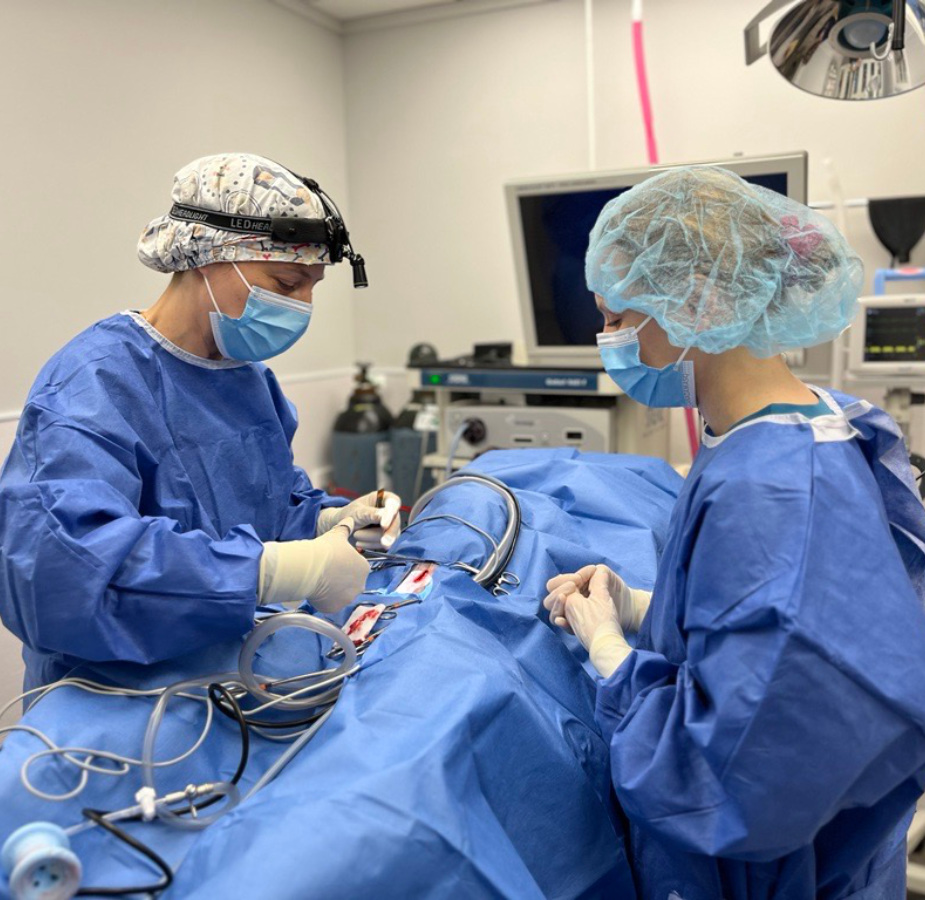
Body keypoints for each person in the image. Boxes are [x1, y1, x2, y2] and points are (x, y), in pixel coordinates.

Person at [544, 166, 925, 899]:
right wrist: (649, 609)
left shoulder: (772, 487)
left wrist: (610, 653)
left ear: (692, 302)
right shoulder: (808, 423)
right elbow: (799, 625)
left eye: (620, 317)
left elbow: (735, 778)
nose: (609, 340)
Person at [0, 153, 400, 692]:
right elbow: (61, 572)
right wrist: (274, 572)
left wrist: (331, 523)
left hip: (237, 673)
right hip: (114, 702)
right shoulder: (91, 386)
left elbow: (265, 510)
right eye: (285, 283)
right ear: (208, 258)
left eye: (312, 287)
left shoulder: (249, 381)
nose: (302, 306)